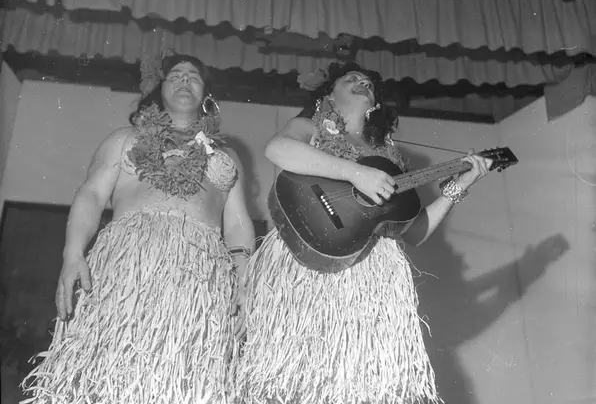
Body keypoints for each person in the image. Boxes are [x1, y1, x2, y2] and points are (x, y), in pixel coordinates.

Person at [234, 61, 491, 404]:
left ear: (376, 104)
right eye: (351, 78)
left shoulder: (389, 157)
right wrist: (355, 173)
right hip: (311, 263)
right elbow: (278, 150)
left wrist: (460, 184)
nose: (362, 82)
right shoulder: (308, 126)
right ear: (328, 94)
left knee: (362, 384)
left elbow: (414, 231)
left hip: (372, 276)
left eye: (369, 82)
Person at [22, 52, 255, 404]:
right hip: (128, 267)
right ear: (159, 89)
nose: (184, 79)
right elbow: (91, 196)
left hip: (197, 275)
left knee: (182, 378)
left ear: (206, 95)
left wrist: (243, 281)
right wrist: (72, 254)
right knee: (110, 376)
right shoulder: (124, 139)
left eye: (194, 76)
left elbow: (237, 225)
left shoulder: (225, 157)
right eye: (175, 75)